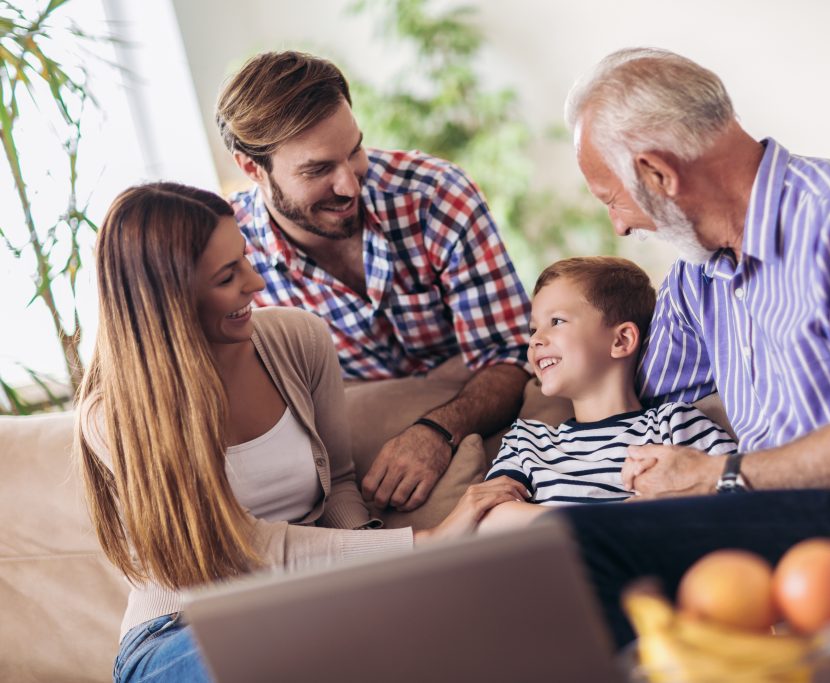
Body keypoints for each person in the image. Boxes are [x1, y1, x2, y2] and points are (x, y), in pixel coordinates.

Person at [556, 47, 830, 647]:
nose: (619, 227)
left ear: (658, 174)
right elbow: (638, 397)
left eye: (611, 198)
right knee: (554, 558)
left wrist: (721, 475)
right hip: (787, 522)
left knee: (581, 547)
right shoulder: (697, 276)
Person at [75, 182, 527, 682]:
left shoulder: (298, 339)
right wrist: (424, 543)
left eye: (245, 259)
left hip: (305, 607)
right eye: (228, 277)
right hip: (181, 631)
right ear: (171, 301)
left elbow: (339, 482)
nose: (256, 283)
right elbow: (242, 547)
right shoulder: (114, 418)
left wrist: (390, 576)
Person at [214, 51, 533, 513]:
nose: (349, 185)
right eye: (318, 169)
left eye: (354, 151)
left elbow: (510, 352)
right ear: (251, 168)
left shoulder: (436, 195)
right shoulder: (230, 254)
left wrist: (435, 430)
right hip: (361, 438)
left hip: (481, 402)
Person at [478, 256, 735, 532]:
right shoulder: (527, 442)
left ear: (620, 340)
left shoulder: (673, 424)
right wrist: (608, 521)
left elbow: (740, 494)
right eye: (533, 329)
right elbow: (490, 519)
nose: (536, 339)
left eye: (556, 321)